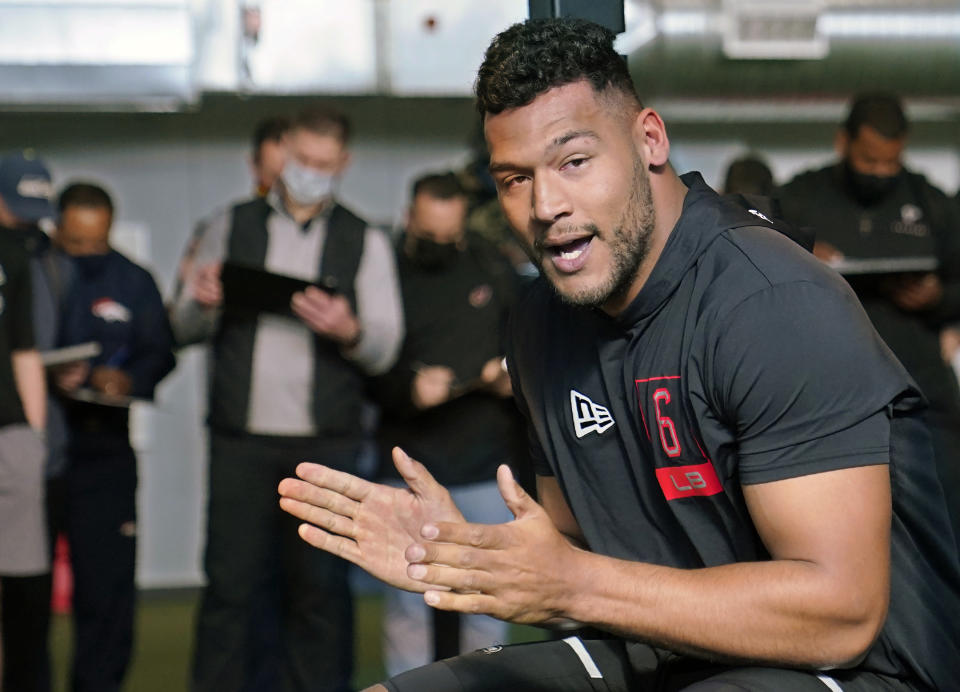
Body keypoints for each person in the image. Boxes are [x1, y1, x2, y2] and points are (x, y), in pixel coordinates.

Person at [278, 18, 960, 692]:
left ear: (649, 140)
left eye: (574, 162)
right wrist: (476, 557)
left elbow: (839, 618)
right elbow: (578, 553)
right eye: (514, 179)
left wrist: (575, 585)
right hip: (666, 650)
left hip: (851, 671)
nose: (546, 204)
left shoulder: (772, 301)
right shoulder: (542, 324)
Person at [171, 105, 404, 692]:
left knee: (320, 591)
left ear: (342, 164)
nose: (310, 172)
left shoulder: (364, 240)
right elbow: (180, 328)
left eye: (324, 164)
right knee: (230, 589)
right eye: (301, 161)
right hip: (239, 442)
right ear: (282, 154)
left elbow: (385, 347)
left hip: (325, 445)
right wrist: (201, 300)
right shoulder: (230, 222)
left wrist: (348, 330)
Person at [780, 93, 960, 548]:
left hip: (921, 398)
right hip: (824, 397)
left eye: (890, 163)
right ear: (843, 143)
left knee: (942, 533)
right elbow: (752, 249)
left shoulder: (932, 203)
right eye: (869, 161)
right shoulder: (801, 198)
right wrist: (798, 250)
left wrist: (937, 297)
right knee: (838, 538)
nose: (880, 172)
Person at [371, 171, 524, 675]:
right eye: (430, 235)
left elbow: (522, 345)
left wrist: (508, 376)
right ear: (410, 217)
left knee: (484, 606)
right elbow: (360, 363)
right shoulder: (381, 268)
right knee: (409, 610)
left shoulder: (489, 264)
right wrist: (409, 388)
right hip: (406, 462)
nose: (442, 245)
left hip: (483, 466)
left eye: (450, 236)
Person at [48, 182, 175, 692]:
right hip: (40, 450)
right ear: (57, 230)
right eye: (75, 242)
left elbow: (160, 352)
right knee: (24, 592)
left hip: (105, 452)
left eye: (96, 242)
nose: (85, 253)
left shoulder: (132, 280)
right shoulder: (35, 272)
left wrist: (127, 380)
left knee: (107, 591)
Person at [0, 152, 50, 692]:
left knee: (20, 592)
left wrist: (35, 438)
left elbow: (25, 349)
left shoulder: (15, 254)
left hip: (11, 434)